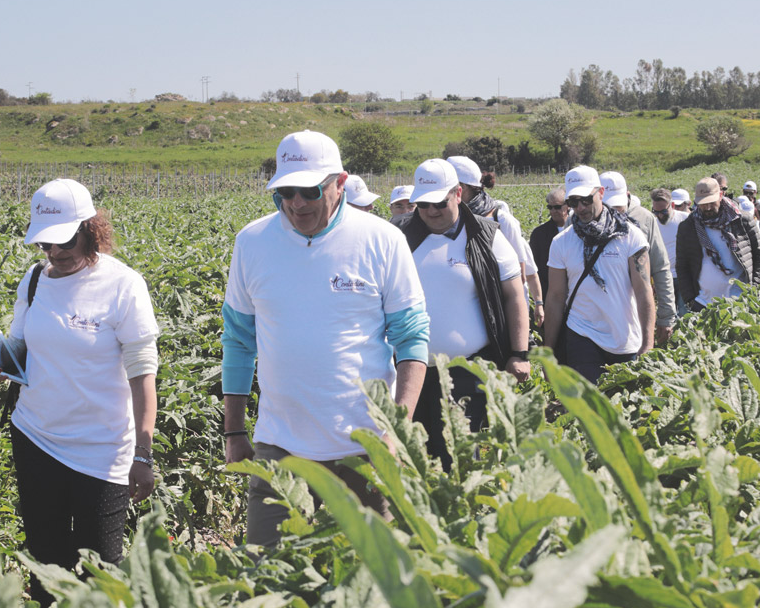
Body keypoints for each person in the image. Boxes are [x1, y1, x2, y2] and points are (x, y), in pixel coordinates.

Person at [221, 130, 429, 545]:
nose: (296, 204)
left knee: (370, 575)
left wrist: (396, 431)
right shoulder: (253, 242)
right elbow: (239, 341)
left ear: (339, 183)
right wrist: (234, 430)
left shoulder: (381, 240)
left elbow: (412, 340)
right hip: (280, 446)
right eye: (285, 192)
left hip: (365, 445)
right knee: (269, 579)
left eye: (309, 191)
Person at [0, 178, 159, 602]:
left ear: (91, 229)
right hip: (36, 436)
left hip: (102, 448)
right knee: (46, 564)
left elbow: (143, 374)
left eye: (64, 241)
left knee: (100, 572)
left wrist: (142, 454)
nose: (55, 253)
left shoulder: (123, 286)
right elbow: (19, 346)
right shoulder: (35, 281)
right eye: (45, 245)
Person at [397, 158, 530, 466]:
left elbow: (514, 296)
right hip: (407, 369)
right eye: (423, 204)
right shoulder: (398, 237)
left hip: (467, 371)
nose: (431, 211)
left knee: (460, 457)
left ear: (458, 193)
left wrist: (520, 353)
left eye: (439, 203)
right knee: (413, 456)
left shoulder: (487, 235)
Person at [543, 166, 655, 383]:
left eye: (585, 199)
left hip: (624, 339)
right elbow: (555, 297)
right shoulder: (561, 242)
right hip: (581, 335)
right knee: (589, 409)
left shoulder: (630, 236)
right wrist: (548, 351)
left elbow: (643, 291)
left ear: (601, 193)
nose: (580, 207)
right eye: (573, 202)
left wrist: (647, 343)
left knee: (624, 411)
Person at [447, 156, 544, 327]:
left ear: (463, 188)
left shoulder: (502, 219)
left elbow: (520, 272)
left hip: (500, 307)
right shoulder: (450, 220)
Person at [602, 170, 675, 346]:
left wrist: (666, 315)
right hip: (598, 314)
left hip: (636, 310)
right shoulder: (583, 220)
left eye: (617, 207)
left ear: (627, 196)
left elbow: (660, 267)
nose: (612, 212)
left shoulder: (644, 218)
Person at [675, 176, 760, 310]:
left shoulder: (742, 221)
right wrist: (690, 299)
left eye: (711, 202)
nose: (707, 208)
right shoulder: (688, 227)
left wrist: (753, 290)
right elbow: (682, 265)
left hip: (740, 301)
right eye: (703, 204)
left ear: (720, 195)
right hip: (703, 303)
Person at [651, 188, 691, 316]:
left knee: (684, 314)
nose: (660, 215)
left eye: (663, 211)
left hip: (684, 276)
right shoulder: (652, 224)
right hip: (663, 277)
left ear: (672, 205)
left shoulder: (686, 220)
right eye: (656, 212)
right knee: (668, 316)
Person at [529, 187, 570, 282]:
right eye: (550, 207)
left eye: (557, 207)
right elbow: (536, 266)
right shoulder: (539, 234)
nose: (553, 211)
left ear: (568, 206)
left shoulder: (577, 230)